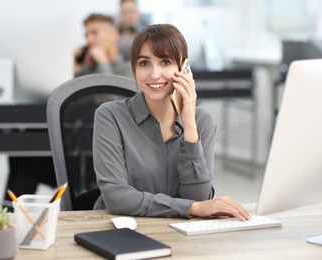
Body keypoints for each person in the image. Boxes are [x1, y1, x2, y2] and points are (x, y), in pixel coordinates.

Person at [92, 24, 250, 220]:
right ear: (134, 68)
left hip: (179, 236)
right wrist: (190, 208)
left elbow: (198, 196)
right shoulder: (110, 116)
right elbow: (117, 199)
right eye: (144, 63)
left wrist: (189, 124)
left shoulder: (202, 121)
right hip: (119, 230)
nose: (154, 74)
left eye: (165, 62)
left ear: (184, 68)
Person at [74, 13, 132, 78]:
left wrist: (102, 61)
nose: (89, 39)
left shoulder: (130, 71)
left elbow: (108, 88)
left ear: (115, 34)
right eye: (86, 35)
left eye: (94, 33)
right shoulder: (88, 70)